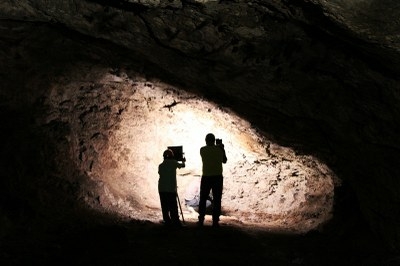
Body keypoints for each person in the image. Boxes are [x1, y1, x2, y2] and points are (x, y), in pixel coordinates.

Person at [198, 133, 227, 227]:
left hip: (206, 176)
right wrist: (222, 149)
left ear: (206, 140)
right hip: (217, 177)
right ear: (214, 141)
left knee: (203, 198)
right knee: (217, 199)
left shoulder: (202, 150)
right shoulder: (219, 149)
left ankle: (201, 219)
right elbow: (225, 160)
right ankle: (215, 221)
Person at [158, 149, 186, 228]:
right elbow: (183, 165)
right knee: (173, 206)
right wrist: (183, 160)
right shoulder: (173, 162)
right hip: (170, 189)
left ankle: (167, 221)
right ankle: (176, 222)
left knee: (164, 206)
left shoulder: (160, 165)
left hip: (162, 188)